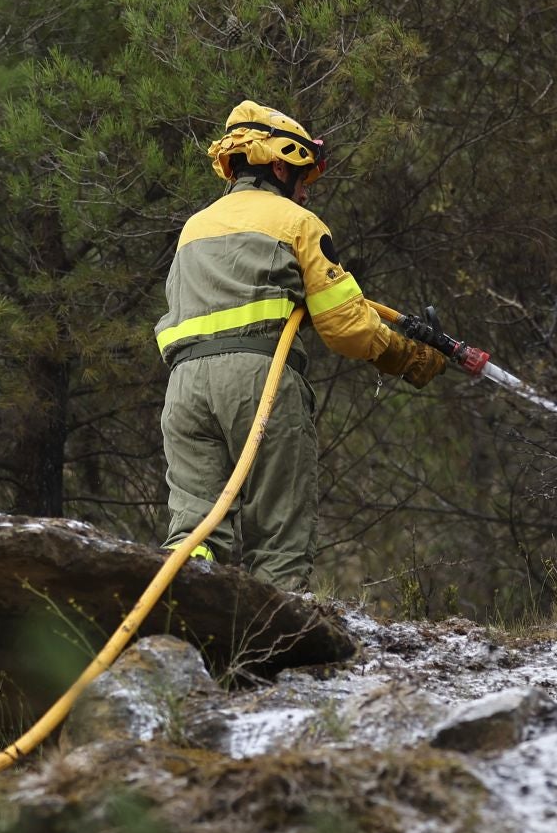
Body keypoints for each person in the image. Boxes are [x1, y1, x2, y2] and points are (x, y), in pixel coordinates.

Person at [155, 100, 447, 591]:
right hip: (258, 383)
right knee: (278, 537)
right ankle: (273, 627)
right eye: (303, 175)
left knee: (194, 530)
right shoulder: (296, 222)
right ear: (278, 166)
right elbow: (348, 327)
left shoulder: (194, 228)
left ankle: (176, 614)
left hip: (184, 391)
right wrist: (411, 357)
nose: (306, 189)